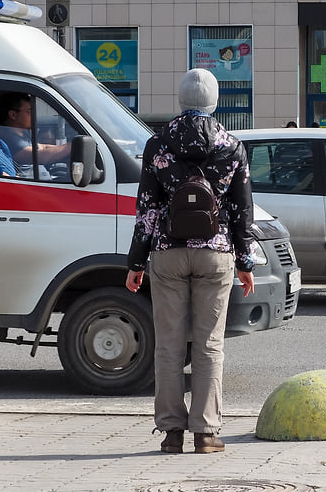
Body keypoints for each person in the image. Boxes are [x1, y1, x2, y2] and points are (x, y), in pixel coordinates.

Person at [125, 69, 255, 456]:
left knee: (167, 345)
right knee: (209, 345)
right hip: (215, 253)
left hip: (166, 252)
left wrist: (136, 262)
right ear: (215, 102)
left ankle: (171, 433)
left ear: (180, 101)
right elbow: (241, 209)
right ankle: (206, 433)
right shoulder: (231, 146)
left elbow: (147, 208)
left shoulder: (157, 145)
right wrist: (245, 260)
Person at [0, 92, 71, 175]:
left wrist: (67, 148)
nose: (34, 115)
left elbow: (42, 147)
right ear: (13, 115)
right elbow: (40, 156)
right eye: (29, 112)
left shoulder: (23, 132)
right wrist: (71, 146)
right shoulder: (8, 138)